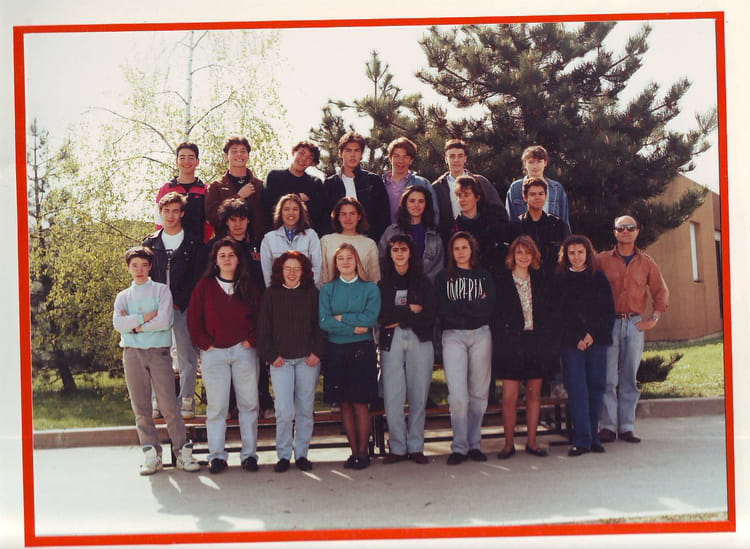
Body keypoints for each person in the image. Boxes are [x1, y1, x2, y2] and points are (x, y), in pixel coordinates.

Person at [113, 246, 200, 475]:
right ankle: (152, 455)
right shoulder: (123, 296)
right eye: (134, 265)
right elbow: (118, 324)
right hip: (132, 353)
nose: (139, 270)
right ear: (128, 268)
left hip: (158, 352)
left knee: (169, 406)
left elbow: (164, 321)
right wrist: (144, 317)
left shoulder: (161, 291)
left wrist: (135, 326)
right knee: (141, 408)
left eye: (144, 265)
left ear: (150, 267)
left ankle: (182, 453)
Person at [187, 237, 261, 474]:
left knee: (249, 404)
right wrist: (205, 344)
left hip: (243, 351)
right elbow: (193, 319)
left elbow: (261, 317)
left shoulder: (247, 286)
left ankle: (249, 455)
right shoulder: (205, 286)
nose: (227, 259)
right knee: (217, 407)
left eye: (231, 255)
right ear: (216, 261)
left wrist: (251, 340)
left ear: (238, 259)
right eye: (222, 256)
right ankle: (217, 456)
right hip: (214, 353)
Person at [597, 215, 669, 443]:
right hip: (608, 324)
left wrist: (653, 319)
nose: (625, 231)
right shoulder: (601, 260)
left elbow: (661, 292)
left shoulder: (646, 262)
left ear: (638, 230)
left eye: (630, 227)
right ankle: (607, 427)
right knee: (608, 378)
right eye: (621, 228)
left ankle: (627, 426)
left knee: (629, 377)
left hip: (634, 324)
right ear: (614, 231)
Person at [257, 251, 326, 472]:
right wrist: (271, 356)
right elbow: (263, 330)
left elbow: (321, 327)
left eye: (297, 269)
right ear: (280, 271)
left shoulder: (312, 294)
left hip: (308, 360)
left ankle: (302, 454)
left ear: (304, 271)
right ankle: (284, 455)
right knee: (284, 411)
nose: (292, 273)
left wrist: (317, 352)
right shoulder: (271, 294)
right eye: (288, 269)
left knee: (305, 409)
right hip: (281, 362)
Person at [207, 198, 273, 419]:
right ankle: (230, 404)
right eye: (233, 219)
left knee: (257, 357)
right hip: (226, 312)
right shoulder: (216, 247)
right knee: (229, 358)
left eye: (242, 219)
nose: (238, 224)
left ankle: (264, 400)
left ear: (248, 221)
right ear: (226, 222)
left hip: (255, 310)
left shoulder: (258, 245)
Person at [494, 236, 559, 459]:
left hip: (535, 343)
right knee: (509, 397)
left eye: (528, 253)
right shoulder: (503, 280)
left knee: (533, 395)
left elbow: (549, 313)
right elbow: (497, 316)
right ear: (513, 255)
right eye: (519, 252)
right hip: (511, 344)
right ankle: (508, 444)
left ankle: (532, 442)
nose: (523, 257)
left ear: (534, 256)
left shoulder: (540, 279)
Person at [319, 243, 381, 470]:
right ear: (335, 264)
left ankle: (364, 454)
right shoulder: (328, 289)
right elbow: (324, 322)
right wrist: (354, 326)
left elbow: (370, 320)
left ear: (357, 261)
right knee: (344, 403)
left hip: (361, 350)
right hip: (336, 350)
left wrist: (342, 318)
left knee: (360, 402)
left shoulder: (370, 288)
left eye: (349, 258)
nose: (345, 262)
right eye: (340, 258)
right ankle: (353, 453)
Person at [142, 192, 203, 419]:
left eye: (175, 211)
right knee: (158, 356)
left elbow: (198, 277)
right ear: (160, 213)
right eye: (166, 211)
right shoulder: (150, 243)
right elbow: (144, 277)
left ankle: (186, 400)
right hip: (157, 310)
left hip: (183, 307)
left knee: (187, 356)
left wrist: (180, 301)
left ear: (182, 213)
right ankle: (158, 401)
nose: (170, 216)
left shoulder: (193, 242)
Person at [436, 232, 495, 465]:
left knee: (479, 393)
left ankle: (474, 444)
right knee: (458, 395)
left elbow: (487, 308)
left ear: (472, 249)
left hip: (481, 335)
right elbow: (444, 310)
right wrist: (472, 306)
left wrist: (461, 306)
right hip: (453, 337)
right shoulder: (443, 278)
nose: (460, 252)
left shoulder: (483, 276)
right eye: (456, 248)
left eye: (464, 247)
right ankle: (459, 447)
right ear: (451, 252)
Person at [378, 235, 436, 465]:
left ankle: (416, 447)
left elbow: (429, 315)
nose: (399, 253)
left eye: (403, 249)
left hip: (419, 339)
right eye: (395, 250)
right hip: (391, 340)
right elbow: (382, 317)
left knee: (418, 394)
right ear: (389, 254)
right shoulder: (383, 283)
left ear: (411, 252)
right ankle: (397, 447)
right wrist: (410, 311)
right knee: (393, 395)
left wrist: (399, 317)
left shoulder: (424, 282)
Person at [555, 235, 615, 456]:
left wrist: (592, 335)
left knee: (596, 386)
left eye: (580, 252)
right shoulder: (559, 279)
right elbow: (558, 314)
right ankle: (581, 439)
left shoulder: (598, 278)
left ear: (588, 254)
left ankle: (593, 437)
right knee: (577, 388)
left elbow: (607, 311)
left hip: (596, 341)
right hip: (572, 344)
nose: (576, 257)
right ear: (565, 255)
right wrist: (577, 337)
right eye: (572, 253)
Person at [322, 131, 390, 242]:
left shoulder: (373, 181)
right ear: (340, 153)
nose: (353, 155)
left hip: (367, 242)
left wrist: (372, 240)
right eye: (348, 150)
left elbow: (383, 216)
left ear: (361, 154)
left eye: (357, 150)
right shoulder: (330, 184)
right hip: (337, 243)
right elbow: (324, 219)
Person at [432, 139, 505, 239]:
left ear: (465, 158)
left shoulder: (480, 182)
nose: (456, 160)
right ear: (446, 159)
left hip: (480, 238)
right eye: (452, 156)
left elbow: (499, 212)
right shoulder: (437, 187)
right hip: (450, 240)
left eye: (460, 156)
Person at [444, 174, 509, 278]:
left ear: (477, 197)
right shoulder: (453, 228)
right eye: (459, 195)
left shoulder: (491, 225)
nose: (462, 199)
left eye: (466, 195)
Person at [378, 186, 444, 282]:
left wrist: (423, 285)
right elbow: (382, 262)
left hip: (426, 287)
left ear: (426, 205)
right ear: (405, 203)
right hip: (396, 286)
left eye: (421, 201)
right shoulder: (391, 232)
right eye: (412, 201)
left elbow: (438, 268)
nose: (416, 205)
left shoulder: (434, 235)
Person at [205, 136, 266, 241]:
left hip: (256, 245)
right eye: (234, 151)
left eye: (243, 151)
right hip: (225, 246)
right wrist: (238, 197)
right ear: (226, 156)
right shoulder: (216, 187)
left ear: (248, 156)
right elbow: (213, 218)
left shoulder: (260, 186)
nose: (239, 154)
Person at [507, 177, 570, 276]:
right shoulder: (515, 227)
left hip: (553, 278)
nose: (537, 197)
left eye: (541, 194)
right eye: (533, 194)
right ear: (525, 197)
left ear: (546, 196)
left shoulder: (558, 225)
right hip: (527, 279)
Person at [260, 193, 322, 288]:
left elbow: (317, 267)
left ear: (300, 212)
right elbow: (267, 272)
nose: (291, 213)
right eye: (286, 209)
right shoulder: (269, 239)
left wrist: (308, 291)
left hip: (306, 291)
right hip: (279, 293)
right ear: (280, 212)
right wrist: (274, 293)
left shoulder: (311, 236)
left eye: (295, 209)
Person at [264, 140, 327, 233]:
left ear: (313, 163)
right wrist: (299, 198)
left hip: (304, 235)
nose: (303, 159)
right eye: (301, 153)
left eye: (309, 157)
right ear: (293, 152)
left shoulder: (315, 183)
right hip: (276, 233)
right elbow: (269, 206)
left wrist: (285, 199)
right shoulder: (274, 176)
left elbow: (316, 213)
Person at [154, 142, 211, 242]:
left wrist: (204, 243)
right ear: (176, 161)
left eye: (191, 158)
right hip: (171, 245)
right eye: (182, 158)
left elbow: (209, 223)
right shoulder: (165, 189)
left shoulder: (206, 190)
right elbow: (159, 221)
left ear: (197, 161)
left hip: (198, 246)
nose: (186, 162)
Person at [505, 144, 570, 227]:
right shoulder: (515, 188)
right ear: (525, 164)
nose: (535, 166)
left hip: (550, 233)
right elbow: (509, 219)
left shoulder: (557, 188)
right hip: (523, 233)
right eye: (531, 162)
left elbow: (564, 221)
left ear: (545, 163)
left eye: (539, 161)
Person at [320, 197, 380, 284]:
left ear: (359, 216)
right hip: (332, 291)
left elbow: (375, 278)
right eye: (343, 214)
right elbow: (323, 275)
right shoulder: (326, 241)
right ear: (338, 217)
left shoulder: (369, 244)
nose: (348, 218)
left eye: (352, 214)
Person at [382, 137, 439, 226]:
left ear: (411, 160)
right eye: (396, 156)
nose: (401, 161)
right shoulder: (380, 185)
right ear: (390, 158)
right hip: (386, 234)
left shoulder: (422, 183)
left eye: (405, 157)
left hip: (416, 233)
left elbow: (434, 214)